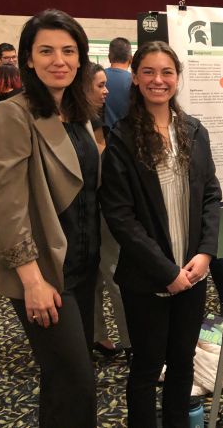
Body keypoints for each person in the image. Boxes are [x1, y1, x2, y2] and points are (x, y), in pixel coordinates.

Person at [0, 9, 100, 427]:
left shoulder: (78, 113)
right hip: (45, 270)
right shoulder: (12, 114)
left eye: (69, 51)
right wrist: (32, 281)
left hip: (82, 265)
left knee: (64, 379)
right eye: (46, 50)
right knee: (77, 383)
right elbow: (5, 207)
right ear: (28, 59)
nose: (59, 60)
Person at [100, 41, 221, 427]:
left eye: (167, 72)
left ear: (177, 78)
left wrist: (205, 253)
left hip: (193, 270)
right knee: (148, 367)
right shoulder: (121, 139)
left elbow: (211, 194)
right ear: (135, 78)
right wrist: (166, 273)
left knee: (182, 362)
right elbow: (120, 217)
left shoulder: (194, 131)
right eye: (149, 72)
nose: (159, 80)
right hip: (147, 278)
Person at [87, 64, 131, 358]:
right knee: (110, 275)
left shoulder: (94, 118)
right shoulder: (74, 125)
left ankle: (100, 335)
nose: (106, 91)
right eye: (100, 85)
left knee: (103, 276)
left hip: (100, 208)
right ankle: (128, 340)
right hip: (97, 210)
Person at [103, 37, 133, 129]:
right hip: (127, 136)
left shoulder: (96, 78)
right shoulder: (135, 81)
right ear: (130, 59)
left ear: (109, 57)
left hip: (101, 136)